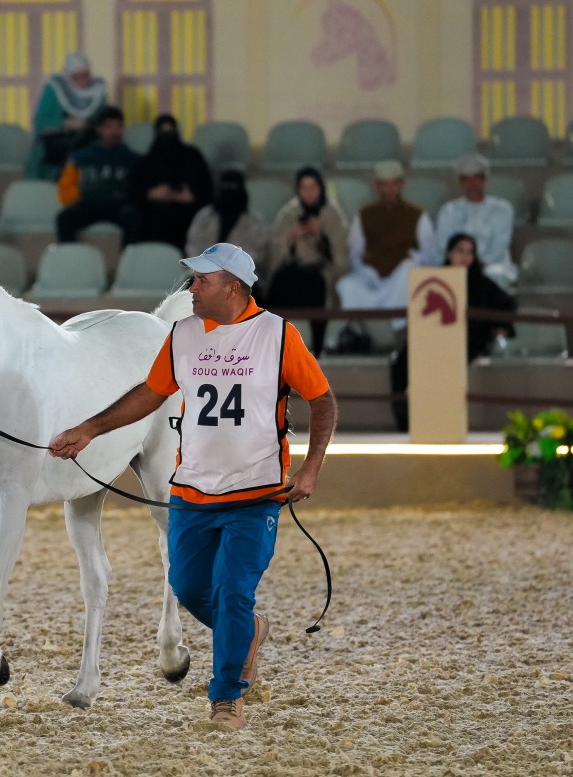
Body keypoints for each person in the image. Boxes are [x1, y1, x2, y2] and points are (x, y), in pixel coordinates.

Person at [48, 243, 337, 731]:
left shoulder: (279, 336)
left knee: (233, 593)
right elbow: (150, 393)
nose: (191, 288)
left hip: (255, 494)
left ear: (234, 286)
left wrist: (311, 468)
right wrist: (90, 429)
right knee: (187, 586)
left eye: (202, 280)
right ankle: (248, 634)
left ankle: (226, 697)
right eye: (192, 279)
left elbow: (323, 400)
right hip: (191, 492)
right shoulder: (182, 335)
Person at [389, 233, 516, 431]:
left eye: (470, 252)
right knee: (401, 363)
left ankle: (442, 421)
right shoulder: (434, 279)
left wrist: (502, 327)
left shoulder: (482, 283)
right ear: (449, 253)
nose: (465, 256)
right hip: (430, 336)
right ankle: (406, 420)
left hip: (469, 338)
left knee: (445, 363)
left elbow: (507, 304)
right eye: (460, 250)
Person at [267, 166, 350, 355]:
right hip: (293, 271)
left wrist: (321, 236)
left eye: (313, 187)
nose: (309, 193)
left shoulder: (333, 213)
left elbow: (341, 258)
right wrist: (291, 239)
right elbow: (275, 254)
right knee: (279, 284)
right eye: (304, 188)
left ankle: (318, 349)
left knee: (314, 284)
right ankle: (275, 349)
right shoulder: (288, 214)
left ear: (321, 188)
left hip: (321, 272)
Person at [337, 159, 436, 314]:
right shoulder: (364, 216)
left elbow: (429, 256)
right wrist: (369, 272)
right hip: (372, 278)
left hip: (402, 278)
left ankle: (392, 326)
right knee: (346, 286)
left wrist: (411, 260)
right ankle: (367, 329)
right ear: (377, 186)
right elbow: (355, 254)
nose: (390, 189)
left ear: (402, 184)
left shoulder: (418, 216)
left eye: (394, 184)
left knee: (408, 270)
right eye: (385, 184)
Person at [56, 106, 142, 245]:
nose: (114, 132)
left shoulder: (131, 158)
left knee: (133, 216)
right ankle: (71, 261)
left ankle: (128, 261)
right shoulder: (81, 157)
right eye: (109, 127)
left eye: (118, 127)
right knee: (64, 218)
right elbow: (65, 187)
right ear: (99, 129)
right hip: (89, 205)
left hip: (119, 206)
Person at [433, 154, 516, 292]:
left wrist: (477, 263)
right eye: (466, 179)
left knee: (494, 277)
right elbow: (443, 243)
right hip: (457, 264)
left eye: (476, 178)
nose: (472, 184)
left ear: (484, 180)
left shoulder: (502, 209)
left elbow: (499, 246)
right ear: (460, 183)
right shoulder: (449, 210)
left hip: (492, 264)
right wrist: (461, 262)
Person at [130, 114, 214, 249]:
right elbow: (134, 191)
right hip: (153, 212)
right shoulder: (147, 161)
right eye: (163, 132)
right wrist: (150, 194)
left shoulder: (192, 157)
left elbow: (207, 190)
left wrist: (187, 197)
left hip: (187, 211)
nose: (167, 136)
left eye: (170, 131)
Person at [25, 52, 107, 181]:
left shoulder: (96, 92)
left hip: (87, 143)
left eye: (85, 76)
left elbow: (104, 120)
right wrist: (66, 123)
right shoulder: (54, 89)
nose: (83, 81)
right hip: (56, 146)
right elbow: (40, 122)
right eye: (77, 77)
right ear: (69, 77)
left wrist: (87, 125)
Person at [186, 170, 269, 293]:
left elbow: (257, 255)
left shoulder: (254, 221)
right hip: (204, 273)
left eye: (233, 188)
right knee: (187, 289)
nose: (229, 194)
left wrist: (228, 270)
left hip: (240, 277)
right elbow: (193, 247)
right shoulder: (204, 218)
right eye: (225, 188)